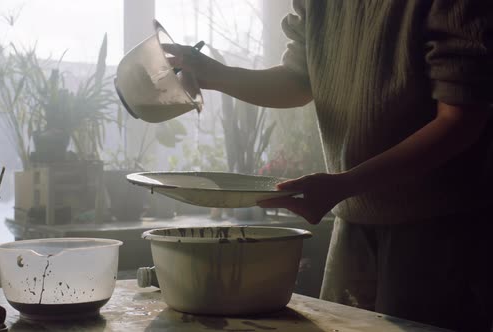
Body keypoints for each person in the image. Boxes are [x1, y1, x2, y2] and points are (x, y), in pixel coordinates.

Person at [163, 1, 493, 331]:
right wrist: (216, 74)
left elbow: (461, 120)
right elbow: (298, 79)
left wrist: (344, 185)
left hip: (440, 233)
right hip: (352, 222)